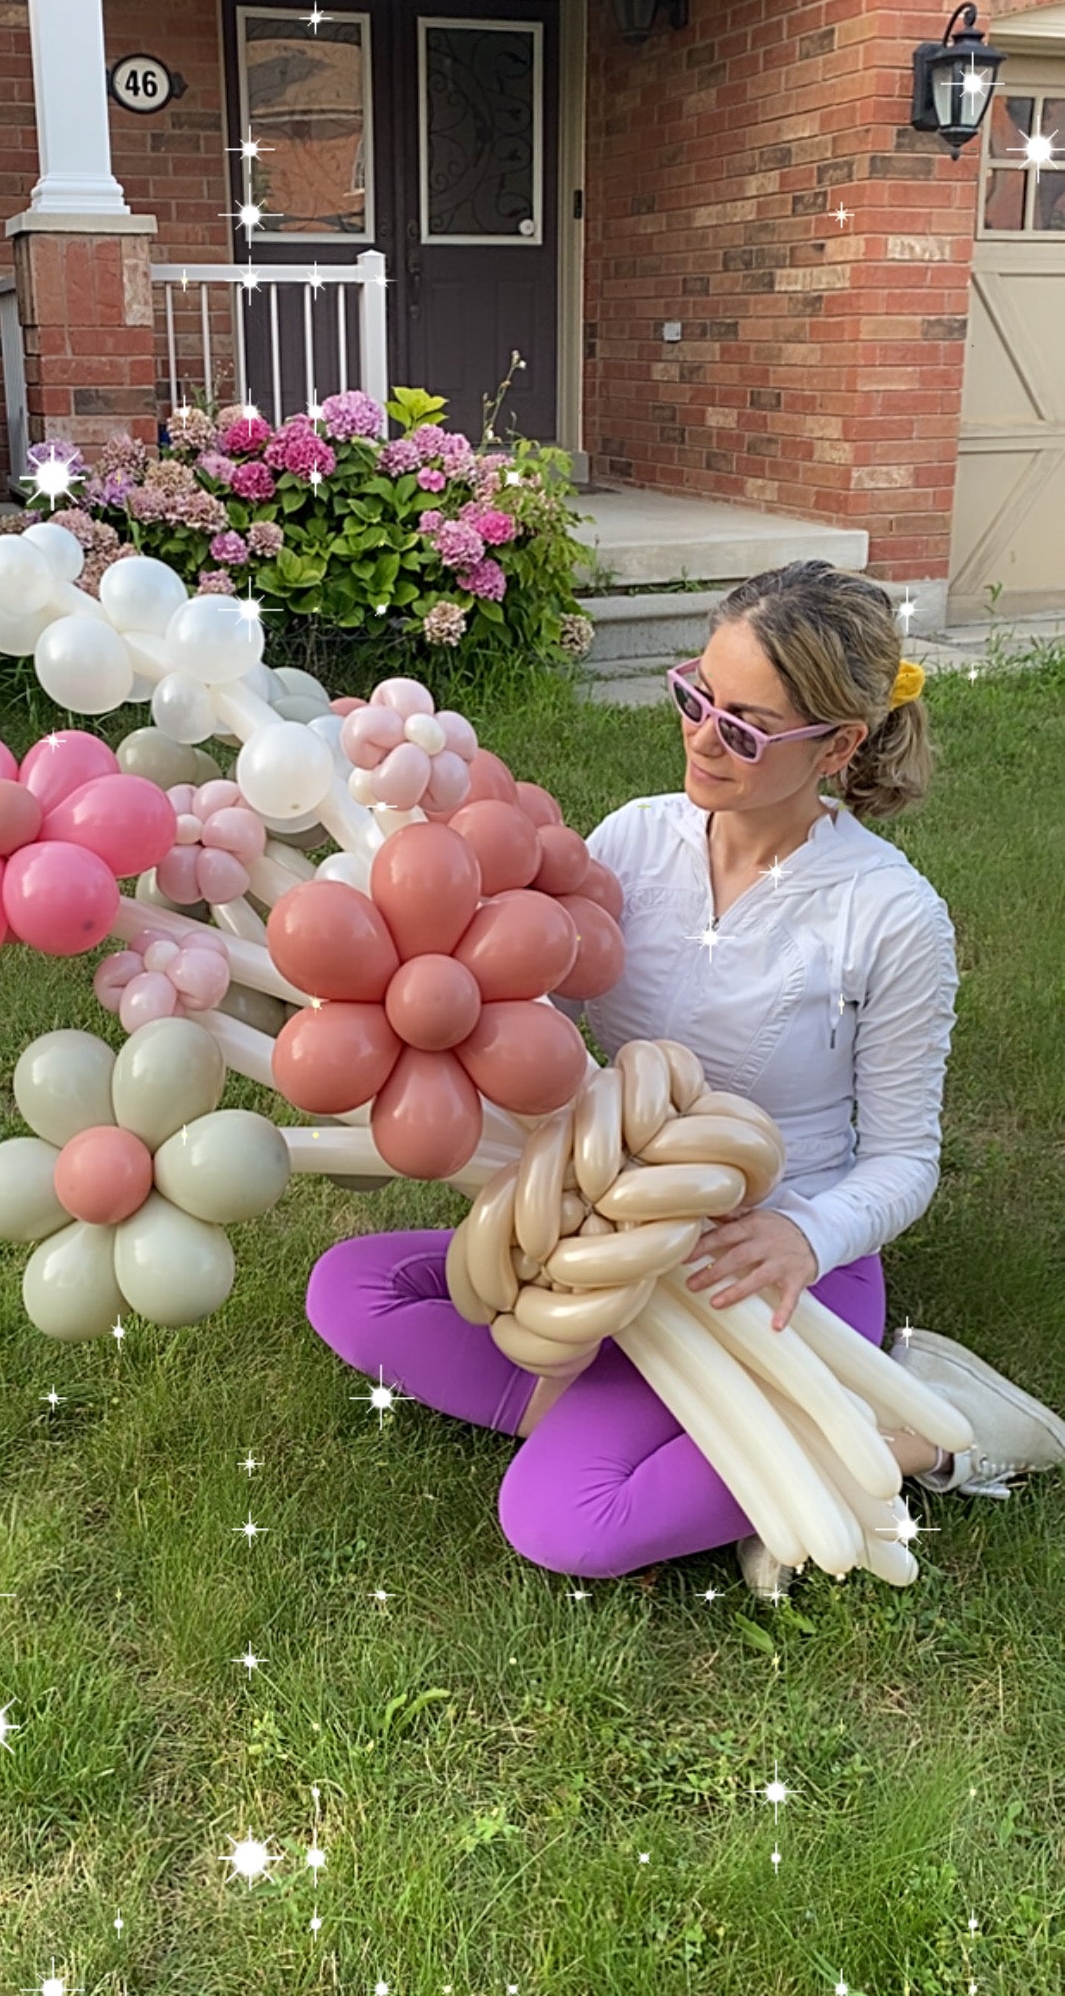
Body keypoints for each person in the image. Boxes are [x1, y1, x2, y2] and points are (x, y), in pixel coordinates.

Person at [306, 562, 1065, 1598]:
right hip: (606, 1230)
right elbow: (536, 1038)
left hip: (759, 1261)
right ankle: (704, 1424)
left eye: (746, 729)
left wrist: (802, 1237)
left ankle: (907, 1435)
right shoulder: (634, 837)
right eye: (695, 697)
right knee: (348, 1288)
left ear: (840, 747)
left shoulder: (891, 917)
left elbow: (904, 1161)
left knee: (562, 1517)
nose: (702, 738)